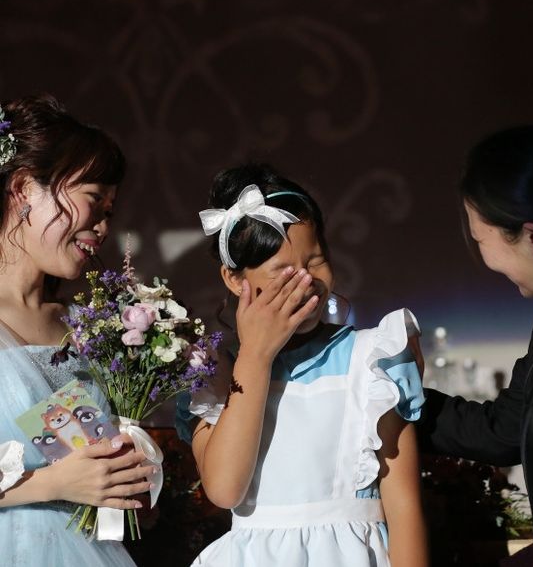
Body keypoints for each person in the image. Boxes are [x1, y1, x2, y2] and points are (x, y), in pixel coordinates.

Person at [183, 163, 428, 567]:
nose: (305, 280)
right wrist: (256, 355)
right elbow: (225, 489)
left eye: (315, 261)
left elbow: (404, 508)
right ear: (234, 279)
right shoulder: (215, 375)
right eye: (282, 271)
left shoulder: (372, 358)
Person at [0, 95, 154, 565]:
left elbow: (92, 463)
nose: (103, 227)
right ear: (24, 189)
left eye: (110, 211)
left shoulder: (85, 327)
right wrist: (50, 484)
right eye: (93, 201)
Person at [418, 125, 533, 567]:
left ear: (532, 237)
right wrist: (401, 404)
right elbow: (508, 429)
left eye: (480, 239)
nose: (482, 256)